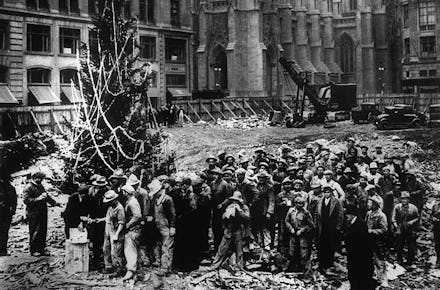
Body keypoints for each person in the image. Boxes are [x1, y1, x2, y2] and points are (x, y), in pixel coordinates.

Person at [210, 191, 250, 271]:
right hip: (229, 230)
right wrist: (227, 215)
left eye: (236, 201)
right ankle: (215, 265)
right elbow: (223, 217)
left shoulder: (244, 207)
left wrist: (239, 211)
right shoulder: (230, 206)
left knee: (239, 251)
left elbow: (247, 218)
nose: (234, 202)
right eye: (233, 200)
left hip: (239, 230)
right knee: (222, 249)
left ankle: (239, 267)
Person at [23, 172, 60, 256]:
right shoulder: (28, 187)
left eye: (42, 179)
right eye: (40, 178)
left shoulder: (40, 186)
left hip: (42, 211)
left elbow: (46, 197)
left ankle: (41, 249)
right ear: (35, 178)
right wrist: (38, 199)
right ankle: (33, 250)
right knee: (35, 230)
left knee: (43, 230)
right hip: (34, 212)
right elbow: (26, 200)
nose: (41, 180)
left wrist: (55, 203)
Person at [345, 204, 376, 290]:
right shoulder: (352, 223)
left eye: (347, 214)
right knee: (353, 276)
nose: (346, 216)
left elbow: (364, 244)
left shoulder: (360, 225)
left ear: (352, 215)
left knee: (359, 278)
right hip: (353, 256)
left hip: (359, 258)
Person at [316, 185, 344, 273]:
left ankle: (329, 263)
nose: (326, 194)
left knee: (330, 245)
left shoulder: (336, 201)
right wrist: (316, 224)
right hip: (322, 226)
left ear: (331, 192)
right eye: (325, 192)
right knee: (321, 244)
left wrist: (338, 227)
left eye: (328, 192)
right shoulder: (320, 201)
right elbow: (316, 213)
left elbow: (340, 215)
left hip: (332, 227)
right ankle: (321, 263)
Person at [150, 179, 176, 274]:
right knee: (159, 245)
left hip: (167, 227)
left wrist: (172, 227)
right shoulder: (156, 199)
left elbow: (173, 214)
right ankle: (160, 264)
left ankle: (165, 268)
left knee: (167, 247)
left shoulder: (167, 199)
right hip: (158, 226)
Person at [285, 197, 314, 275]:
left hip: (303, 236)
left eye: (302, 204)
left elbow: (311, 225)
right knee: (292, 250)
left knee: (303, 252)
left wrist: (302, 230)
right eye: (299, 203)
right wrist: (290, 228)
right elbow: (287, 221)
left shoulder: (306, 213)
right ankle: (292, 267)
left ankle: (304, 269)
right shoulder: (291, 211)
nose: (300, 205)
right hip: (293, 234)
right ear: (295, 204)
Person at [366, 195, 388, 287]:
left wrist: (371, 231)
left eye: (370, 203)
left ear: (375, 205)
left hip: (378, 242)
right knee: (368, 260)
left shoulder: (381, 215)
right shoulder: (368, 213)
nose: (368, 204)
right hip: (368, 241)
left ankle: (383, 279)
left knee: (379, 261)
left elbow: (384, 230)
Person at [102, 190, 125, 277]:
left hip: (116, 231)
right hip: (108, 229)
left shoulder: (119, 208)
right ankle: (108, 267)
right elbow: (108, 218)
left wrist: (116, 234)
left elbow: (121, 223)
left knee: (115, 252)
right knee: (106, 248)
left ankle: (117, 270)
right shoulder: (110, 207)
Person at [121, 185, 142, 281]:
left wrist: (128, 225)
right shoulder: (130, 201)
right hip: (133, 229)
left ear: (127, 192)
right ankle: (136, 270)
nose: (122, 193)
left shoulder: (133, 202)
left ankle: (131, 270)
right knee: (132, 250)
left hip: (133, 230)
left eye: (124, 191)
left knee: (130, 250)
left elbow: (137, 216)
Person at [392, 191, 419, 265]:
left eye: (405, 199)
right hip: (400, 227)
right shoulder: (397, 207)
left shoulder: (413, 208)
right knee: (399, 244)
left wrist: (412, 222)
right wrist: (396, 226)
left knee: (411, 245)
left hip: (410, 228)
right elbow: (393, 218)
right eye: (402, 199)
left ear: (408, 200)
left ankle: (410, 260)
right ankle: (399, 259)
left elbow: (417, 218)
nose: (404, 201)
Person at [210, 168, 234, 251]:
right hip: (215, 209)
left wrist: (222, 204)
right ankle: (216, 247)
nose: (214, 176)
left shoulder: (225, 184)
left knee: (222, 228)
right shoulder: (212, 183)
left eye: (216, 174)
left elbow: (229, 197)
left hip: (223, 210)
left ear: (220, 175)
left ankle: (224, 248)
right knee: (215, 228)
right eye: (213, 174)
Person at [88, 175, 109, 270]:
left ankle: (104, 261)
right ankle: (95, 260)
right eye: (98, 186)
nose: (100, 188)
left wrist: (104, 218)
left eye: (102, 186)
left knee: (104, 240)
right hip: (94, 218)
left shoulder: (108, 192)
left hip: (104, 219)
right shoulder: (91, 191)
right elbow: (88, 204)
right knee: (95, 239)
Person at [253, 171, 275, 249]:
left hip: (265, 210)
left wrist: (269, 212)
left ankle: (267, 244)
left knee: (266, 228)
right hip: (257, 210)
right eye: (260, 178)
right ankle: (260, 242)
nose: (261, 179)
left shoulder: (269, 187)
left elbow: (271, 200)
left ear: (266, 179)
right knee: (258, 227)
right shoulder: (255, 186)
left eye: (263, 178)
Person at [0, 172, 17, 256]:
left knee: (4, 231)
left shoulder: (11, 188)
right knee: (4, 232)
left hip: (6, 213)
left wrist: (13, 211)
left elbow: (14, 201)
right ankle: (2, 250)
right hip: (5, 212)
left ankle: (3, 250)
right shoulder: (10, 188)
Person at [432, 197, 440, 268]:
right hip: (437, 228)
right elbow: (431, 215)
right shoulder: (435, 206)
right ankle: (438, 261)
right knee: (437, 244)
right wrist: (433, 218)